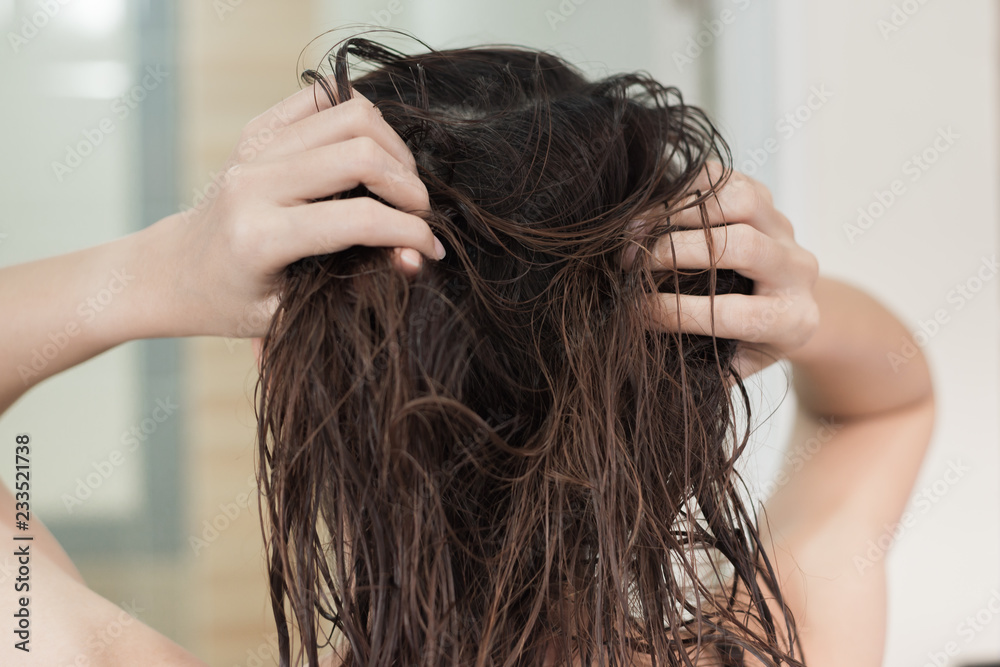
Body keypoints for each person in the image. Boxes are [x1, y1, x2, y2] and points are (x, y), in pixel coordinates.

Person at [0, 37, 934, 667]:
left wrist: (166, 266)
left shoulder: (68, 646)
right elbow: (883, 406)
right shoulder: (784, 639)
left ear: (297, 383)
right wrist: (794, 314)